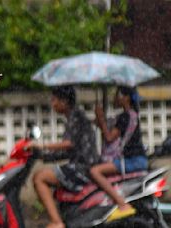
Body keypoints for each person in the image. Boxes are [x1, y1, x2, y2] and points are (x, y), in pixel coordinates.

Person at [27, 86, 99, 228]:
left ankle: (57, 222)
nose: (52, 103)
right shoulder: (73, 117)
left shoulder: (76, 117)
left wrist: (42, 146)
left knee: (39, 177)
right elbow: (67, 151)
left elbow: (68, 144)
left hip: (83, 167)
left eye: (54, 100)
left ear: (64, 101)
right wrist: (43, 156)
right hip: (80, 164)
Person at [90, 86, 146, 221]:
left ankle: (122, 204)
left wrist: (101, 119)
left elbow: (109, 137)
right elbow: (107, 128)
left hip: (131, 161)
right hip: (138, 159)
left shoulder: (125, 116)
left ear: (126, 98)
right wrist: (100, 119)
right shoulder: (132, 115)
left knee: (95, 171)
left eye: (118, 95)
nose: (115, 98)